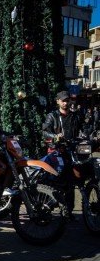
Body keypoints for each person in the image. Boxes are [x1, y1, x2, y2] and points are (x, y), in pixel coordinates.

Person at [42, 90, 82, 221]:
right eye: (63, 100)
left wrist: (89, 134)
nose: (66, 102)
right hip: (57, 151)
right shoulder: (52, 116)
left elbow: (85, 127)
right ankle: (47, 204)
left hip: (73, 151)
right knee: (56, 179)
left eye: (67, 100)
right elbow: (45, 132)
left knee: (71, 181)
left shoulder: (75, 116)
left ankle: (68, 211)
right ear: (57, 101)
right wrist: (55, 136)